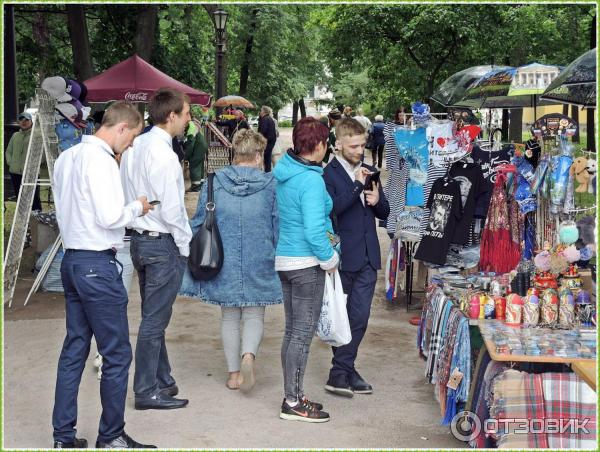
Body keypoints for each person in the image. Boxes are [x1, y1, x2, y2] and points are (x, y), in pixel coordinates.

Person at [52, 101, 155, 449]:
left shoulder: (67, 158)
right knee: (116, 354)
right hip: (97, 263)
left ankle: (63, 436)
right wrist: (137, 207)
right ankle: (110, 436)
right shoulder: (101, 160)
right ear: (122, 127)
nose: (131, 145)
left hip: (72, 259)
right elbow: (110, 216)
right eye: (133, 137)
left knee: (74, 349)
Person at [180, 129, 282, 392]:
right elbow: (277, 224)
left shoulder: (214, 182)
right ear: (259, 155)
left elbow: (199, 222)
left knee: (229, 318)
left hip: (221, 259)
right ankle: (249, 355)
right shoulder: (271, 185)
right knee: (254, 313)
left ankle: (234, 374)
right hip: (260, 256)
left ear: (235, 153)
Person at [120, 88, 192, 410]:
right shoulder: (164, 155)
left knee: (154, 315)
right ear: (172, 115)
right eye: (187, 113)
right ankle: (146, 389)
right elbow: (173, 210)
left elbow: (127, 191)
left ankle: (162, 379)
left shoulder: (136, 146)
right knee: (154, 320)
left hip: (140, 238)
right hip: (161, 242)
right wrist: (185, 245)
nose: (189, 119)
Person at [273, 117, 339, 423]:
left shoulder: (288, 171)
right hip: (306, 263)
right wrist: (330, 259)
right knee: (301, 334)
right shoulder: (311, 179)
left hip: (286, 259)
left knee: (292, 333)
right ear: (319, 145)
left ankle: (292, 394)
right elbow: (314, 231)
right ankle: (294, 401)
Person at [322, 118, 390, 398]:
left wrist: (377, 201)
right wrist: (357, 188)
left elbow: (384, 212)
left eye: (363, 145)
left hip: (368, 255)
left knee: (359, 317)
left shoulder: (370, 170)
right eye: (354, 145)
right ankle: (344, 372)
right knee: (341, 319)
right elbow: (332, 211)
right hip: (342, 255)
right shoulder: (328, 175)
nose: (360, 150)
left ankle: (341, 371)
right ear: (338, 144)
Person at [5, 112, 42, 211]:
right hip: (15, 172)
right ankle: (23, 222)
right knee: (20, 198)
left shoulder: (37, 135)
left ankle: (36, 222)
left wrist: (33, 165)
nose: (24, 122)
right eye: (21, 119)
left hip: (31, 173)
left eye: (26, 120)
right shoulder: (15, 135)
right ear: (18, 122)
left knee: (34, 198)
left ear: (31, 121)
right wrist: (11, 163)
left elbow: (41, 154)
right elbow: (8, 151)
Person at [184, 118, 208, 192]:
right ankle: (200, 184)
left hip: (198, 148)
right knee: (199, 165)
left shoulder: (190, 128)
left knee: (194, 165)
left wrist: (186, 156)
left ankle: (195, 186)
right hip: (202, 146)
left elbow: (191, 144)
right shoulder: (192, 124)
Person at [257, 105, 277, 172]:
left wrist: (258, 137)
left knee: (267, 157)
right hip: (271, 140)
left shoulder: (265, 119)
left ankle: (267, 172)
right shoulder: (269, 118)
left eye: (261, 110)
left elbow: (263, 130)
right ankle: (268, 171)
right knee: (268, 157)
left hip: (267, 141)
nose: (260, 112)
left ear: (264, 111)